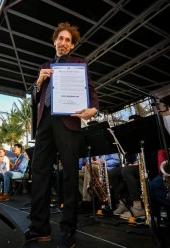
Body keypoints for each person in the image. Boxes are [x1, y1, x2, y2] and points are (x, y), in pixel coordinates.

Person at [24, 22, 99, 248]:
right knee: (39, 174)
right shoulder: (44, 66)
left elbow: (92, 93)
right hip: (45, 123)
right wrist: (38, 82)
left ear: (72, 45)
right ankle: (39, 229)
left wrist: (93, 110)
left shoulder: (79, 64)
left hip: (68, 122)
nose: (63, 43)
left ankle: (68, 231)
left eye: (68, 40)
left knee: (69, 177)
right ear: (54, 41)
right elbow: (35, 99)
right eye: (60, 39)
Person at [108, 114, 146, 219]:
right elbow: (129, 159)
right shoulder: (131, 140)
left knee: (126, 171)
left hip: (146, 166)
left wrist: (139, 163)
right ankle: (123, 203)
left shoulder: (147, 135)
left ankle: (138, 207)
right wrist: (130, 162)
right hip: (134, 167)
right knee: (112, 173)